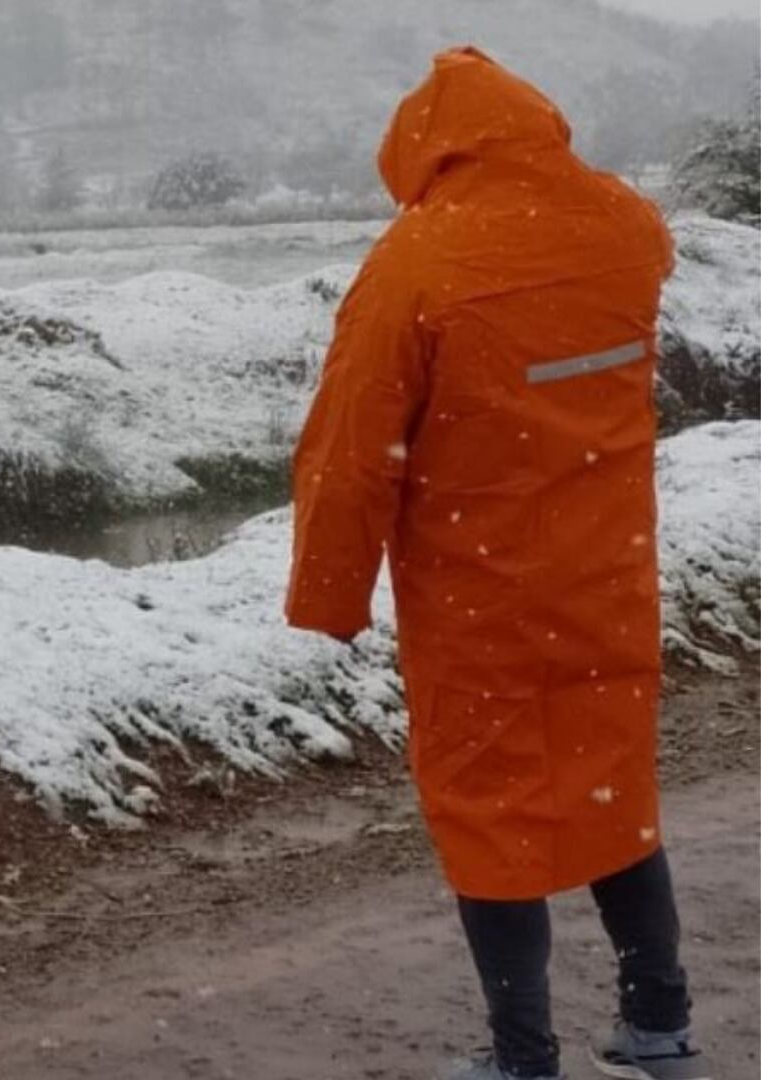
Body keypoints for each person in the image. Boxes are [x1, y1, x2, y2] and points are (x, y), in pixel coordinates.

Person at [285, 48, 704, 1080]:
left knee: (491, 815)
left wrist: (331, 599)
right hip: (608, 571)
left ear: (422, 150)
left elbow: (349, 453)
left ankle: (524, 1059)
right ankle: (661, 1020)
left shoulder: (414, 264)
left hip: (482, 592)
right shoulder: (623, 225)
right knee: (611, 790)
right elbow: (631, 279)